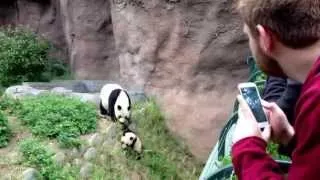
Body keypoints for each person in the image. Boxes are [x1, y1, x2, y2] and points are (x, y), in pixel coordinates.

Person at [231, 0, 320, 179]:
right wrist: (292, 138)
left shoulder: (316, 101)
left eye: (248, 36)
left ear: (265, 38)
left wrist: (246, 148)